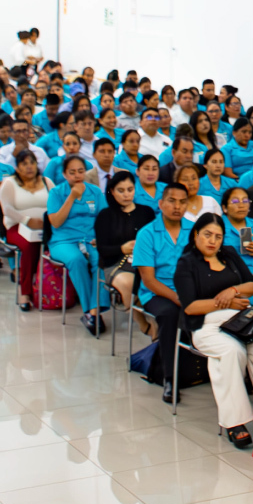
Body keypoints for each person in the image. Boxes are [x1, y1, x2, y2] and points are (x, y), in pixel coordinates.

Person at [172, 214, 253, 447]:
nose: (213, 241)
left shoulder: (228, 253)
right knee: (231, 352)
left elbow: (251, 285)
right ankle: (234, 422)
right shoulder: (186, 263)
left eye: (218, 236)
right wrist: (227, 302)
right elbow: (190, 307)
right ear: (195, 235)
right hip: (204, 324)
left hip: (239, 321)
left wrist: (233, 289)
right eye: (207, 234)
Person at [133, 183, 195, 393]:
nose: (177, 206)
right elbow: (148, 280)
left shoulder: (194, 231)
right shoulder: (147, 234)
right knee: (170, 314)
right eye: (172, 201)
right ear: (160, 204)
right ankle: (170, 378)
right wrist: (178, 298)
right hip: (156, 292)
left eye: (182, 201)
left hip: (189, 290)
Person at [47, 154, 108, 334]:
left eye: (80, 171)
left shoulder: (95, 191)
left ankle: (94, 312)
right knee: (76, 260)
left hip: (91, 238)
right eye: (72, 172)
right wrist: (72, 197)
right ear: (65, 174)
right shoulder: (56, 193)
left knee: (101, 260)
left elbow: (104, 220)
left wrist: (101, 237)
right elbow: (56, 222)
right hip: (63, 240)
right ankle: (89, 311)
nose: (77, 176)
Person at [0, 151, 50, 311]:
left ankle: (52, 289)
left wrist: (47, 221)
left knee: (56, 244)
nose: (29, 167)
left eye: (32, 163)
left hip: (45, 227)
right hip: (17, 227)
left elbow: (56, 203)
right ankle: (25, 291)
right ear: (17, 168)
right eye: (24, 164)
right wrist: (28, 221)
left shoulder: (47, 182)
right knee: (28, 246)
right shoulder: (9, 183)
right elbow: (7, 209)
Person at [99, 170, 154, 310]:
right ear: (112, 191)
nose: (126, 194)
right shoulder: (105, 216)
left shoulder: (146, 212)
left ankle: (156, 322)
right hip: (116, 263)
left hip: (143, 261)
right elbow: (102, 249)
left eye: (130, 189)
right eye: (121, 190)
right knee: (131, 283)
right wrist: (122, 248)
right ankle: (141, 323)